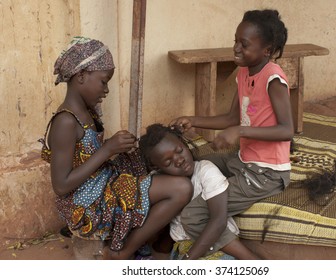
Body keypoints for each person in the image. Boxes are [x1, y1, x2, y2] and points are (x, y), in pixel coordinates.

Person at [39, 36, 192, 260]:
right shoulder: (65, 121)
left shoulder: (87, 112)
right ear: (81, 76)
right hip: (87, 203)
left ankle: (156, 236)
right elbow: (61, 186)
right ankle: (125, 250)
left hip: (100, 183)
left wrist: (118, 147)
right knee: (181, 189)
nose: (107, 90)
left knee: (147, 157)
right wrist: (108, 150)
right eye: (104, 81)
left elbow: (88, 155)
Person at [171, 10, 293, 259]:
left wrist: (239, 131)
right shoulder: (244, 72)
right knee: (191, 167)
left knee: (194, 216)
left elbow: (287, 130)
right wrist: (192, 119)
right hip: (243, 161)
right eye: (235, 40)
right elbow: (231, 118)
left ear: (267, 50)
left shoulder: (273, 78)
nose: (236, 48)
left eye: (244, 44)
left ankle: (252, 262)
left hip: (268, 173)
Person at [139, 123, 259, 260]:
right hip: (184, 247)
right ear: (156, 166)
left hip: (220, 246)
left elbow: (218, 221)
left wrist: (188, 260)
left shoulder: (206, 171)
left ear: (185, 144)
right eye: (168, 162)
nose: (179, 160)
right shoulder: (160, 183)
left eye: (179, 151)